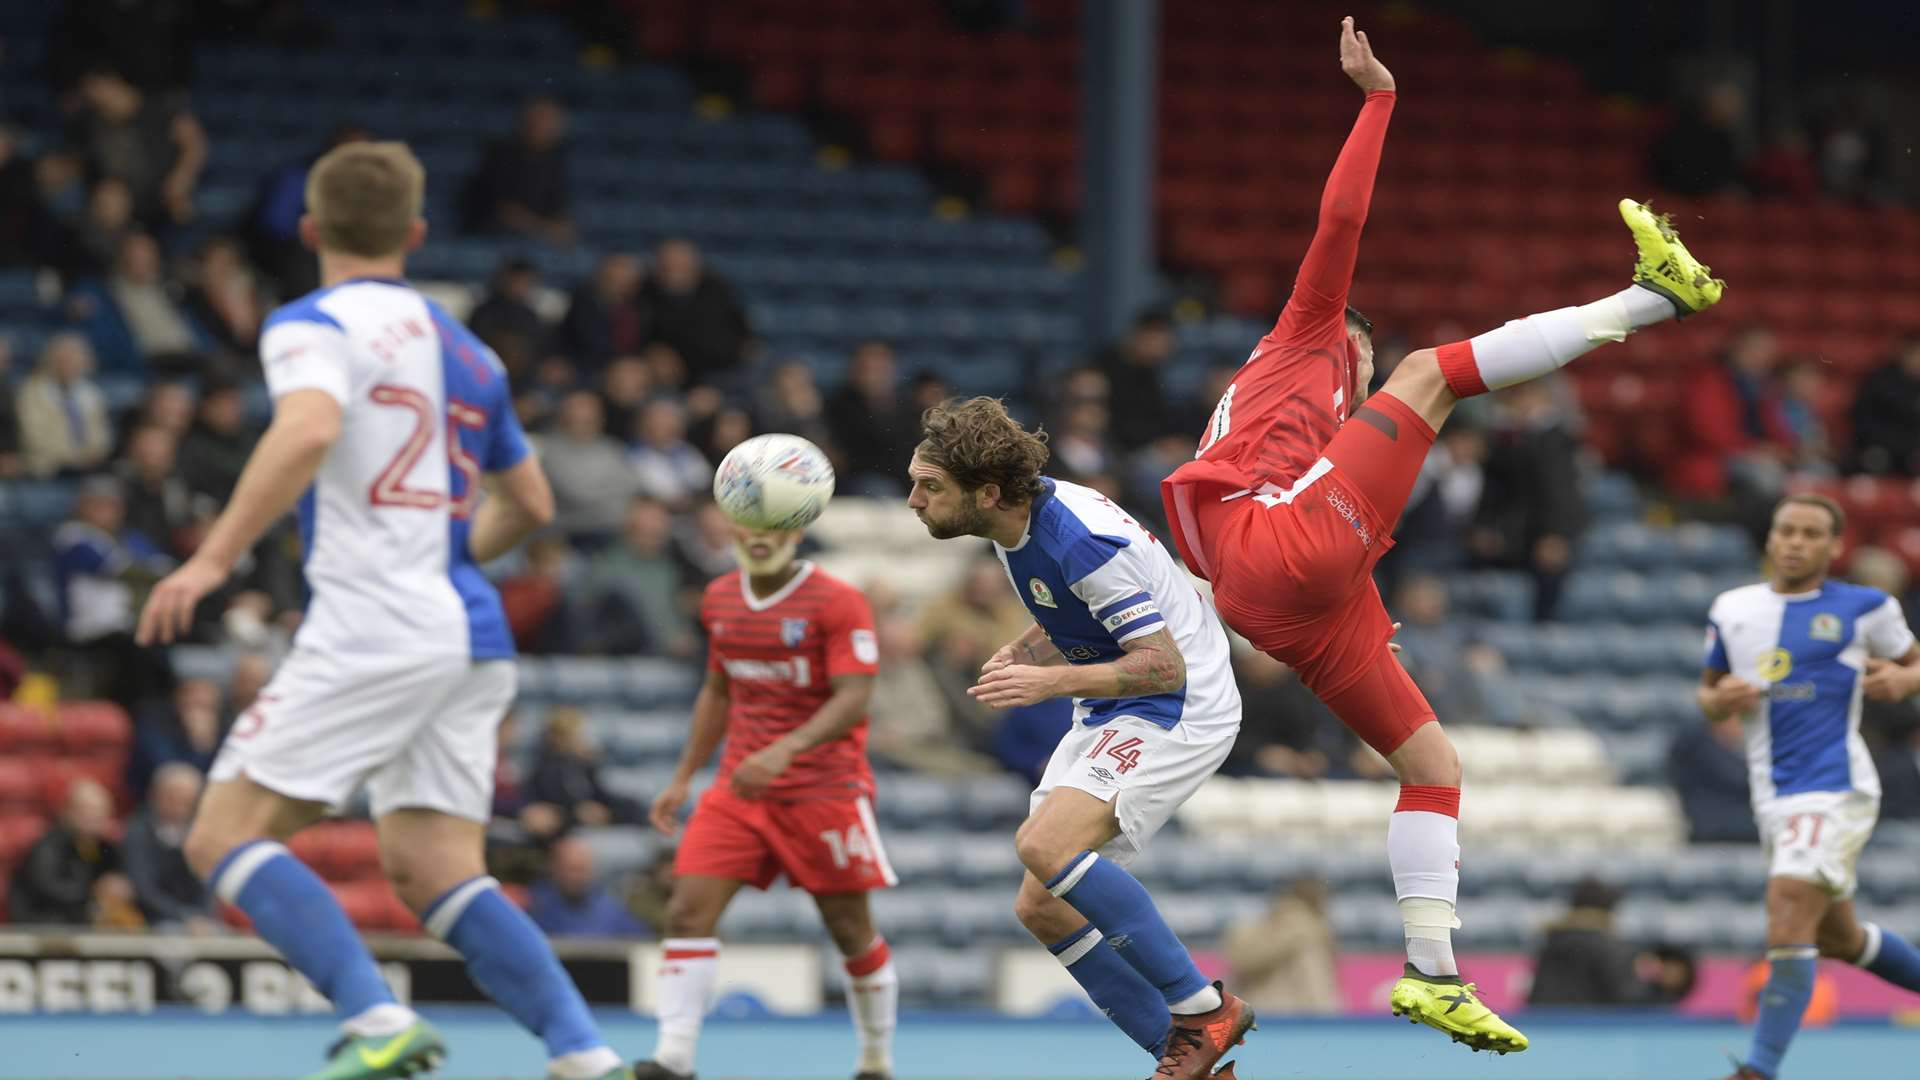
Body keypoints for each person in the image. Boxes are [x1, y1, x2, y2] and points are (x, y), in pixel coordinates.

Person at [1159, 18, 1728, 1055]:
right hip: (1274, 559)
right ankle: (1656, 298)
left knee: (1433, 762)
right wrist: (1377, 101)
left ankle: (1433, 974)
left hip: (1283, 597)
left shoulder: (1298, 435)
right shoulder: (1308, 339)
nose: (1363, 384)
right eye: (1357, 365)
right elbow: (1339, 226)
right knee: (1433, 369)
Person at [132, 141, 629, 1080]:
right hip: (469, 631)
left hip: (376, 623)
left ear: (311, 231)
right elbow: (531, 506)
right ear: (415, 234)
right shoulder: (469, 349)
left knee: (220, 833)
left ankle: (374, 1020)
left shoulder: (309, 324)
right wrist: (443, 556)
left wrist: (210, 558)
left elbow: (311, 425)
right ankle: (585, 1055)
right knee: (436, 870)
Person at [906, 396, 1252, 1080]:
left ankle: (1204, 1009)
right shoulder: (1023, 523)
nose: (912, 500)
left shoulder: (1079, 538)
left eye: (930, 487)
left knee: (1044, 845)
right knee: (1041, 903)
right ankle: (1189, 1063)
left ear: (988, 492)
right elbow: (1075, 603)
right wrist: (1031, 648)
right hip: (1122, 701)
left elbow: (1162, 663)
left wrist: (1047, 681)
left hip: (1180, 705)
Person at [639, 522, 896, 1080]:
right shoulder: (719, 596)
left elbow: (855, 698)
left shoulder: (838, 602)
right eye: (749, 525)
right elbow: (718, 689)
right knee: (686, 911)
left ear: (798, 529)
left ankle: (875, 1060)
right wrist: (683, 776)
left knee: (850, 929)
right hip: (740, 789)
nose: (760, 537)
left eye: (774, 525)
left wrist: (787, 750)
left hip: (824, 789)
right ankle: (673, 1060)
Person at [1698, 494, 1920, 1080]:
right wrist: (1719, 700)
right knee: (1839, 938)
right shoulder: (1732, 609)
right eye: (1786, 531)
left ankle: (1758, 1069)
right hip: (1772, 791)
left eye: (1811, 533)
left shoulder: (1867, 607)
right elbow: (1707, 692)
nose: (1796, 542)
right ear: (1771, 539)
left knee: (1789, 901)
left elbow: (1915, 664)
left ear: (1834, 546)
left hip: (1835, 783)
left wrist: (1904, 678)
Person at [9, 778, 132, 926]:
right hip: (44, 921)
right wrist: (94, 892)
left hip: (83, 920)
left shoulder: (105, 847)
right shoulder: (48, 846)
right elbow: (47, 889)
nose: (93, 818)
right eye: (86, 811)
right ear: (67, 811)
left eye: (100, 812)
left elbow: (116, 880)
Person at [465, 95, 574, 246]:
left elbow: (557, 207)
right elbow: (502, 210)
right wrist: (545, 228)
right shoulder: (501, 154)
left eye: (553, 121)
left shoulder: (555, 161)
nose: (549, 126)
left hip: (535, 237)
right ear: (526, 121)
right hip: (492, 235)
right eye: (543, 119)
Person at [122, 762, 218, 931]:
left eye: (189, 800)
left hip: (199, 920)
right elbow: (143, 889)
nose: (182, 806)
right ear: (157, 796)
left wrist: (202, 917)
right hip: (153, 920)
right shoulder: (138, 833)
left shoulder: (199, 834)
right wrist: (185, 917)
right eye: (176, 798)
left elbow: (207, 884)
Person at [1221, 879, 1340, 1015]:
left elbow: (1239, 962)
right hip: (1298, 1017)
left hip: (1258, 1014)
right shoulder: (1313, 930)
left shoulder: (1260, 926)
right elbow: (1316, 986)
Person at [1526, 878, 1648, 1006]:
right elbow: (1629, 1000)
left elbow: (1536, 998)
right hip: (1594, 1024)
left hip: (1545, 1023)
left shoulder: (1551, 943)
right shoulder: (1611, 948)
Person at [639, 238, 749, 378]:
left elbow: (742, 333)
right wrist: (652, 353)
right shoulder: (644, 295)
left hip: (723, 369)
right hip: (667, 374)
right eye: (668, 265)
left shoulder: (717, 290)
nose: (675, 270)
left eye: (681, 264)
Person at [17, 332, 112, 477]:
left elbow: (102, 436)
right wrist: (76, 458)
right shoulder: (31, 393)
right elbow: (34, 439)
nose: (68, 365)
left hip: (90, 467)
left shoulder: (92, 393)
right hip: (49, 469)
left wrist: (94, 454)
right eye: (62, 360)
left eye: (74, 360)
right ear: (50, 362)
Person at [529, 836, 648, 938]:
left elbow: (639, 943)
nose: (576, 877)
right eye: (571, 870)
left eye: (582, 870)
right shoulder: (533, 905)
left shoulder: (611, 909)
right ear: (554, 868)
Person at [1849, 334, 1920, 476]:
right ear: (1905, 354)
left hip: (1913, 449)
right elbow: (1862, 419)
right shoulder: (1880, 382)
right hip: (1881, 446)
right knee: (1876, 461)